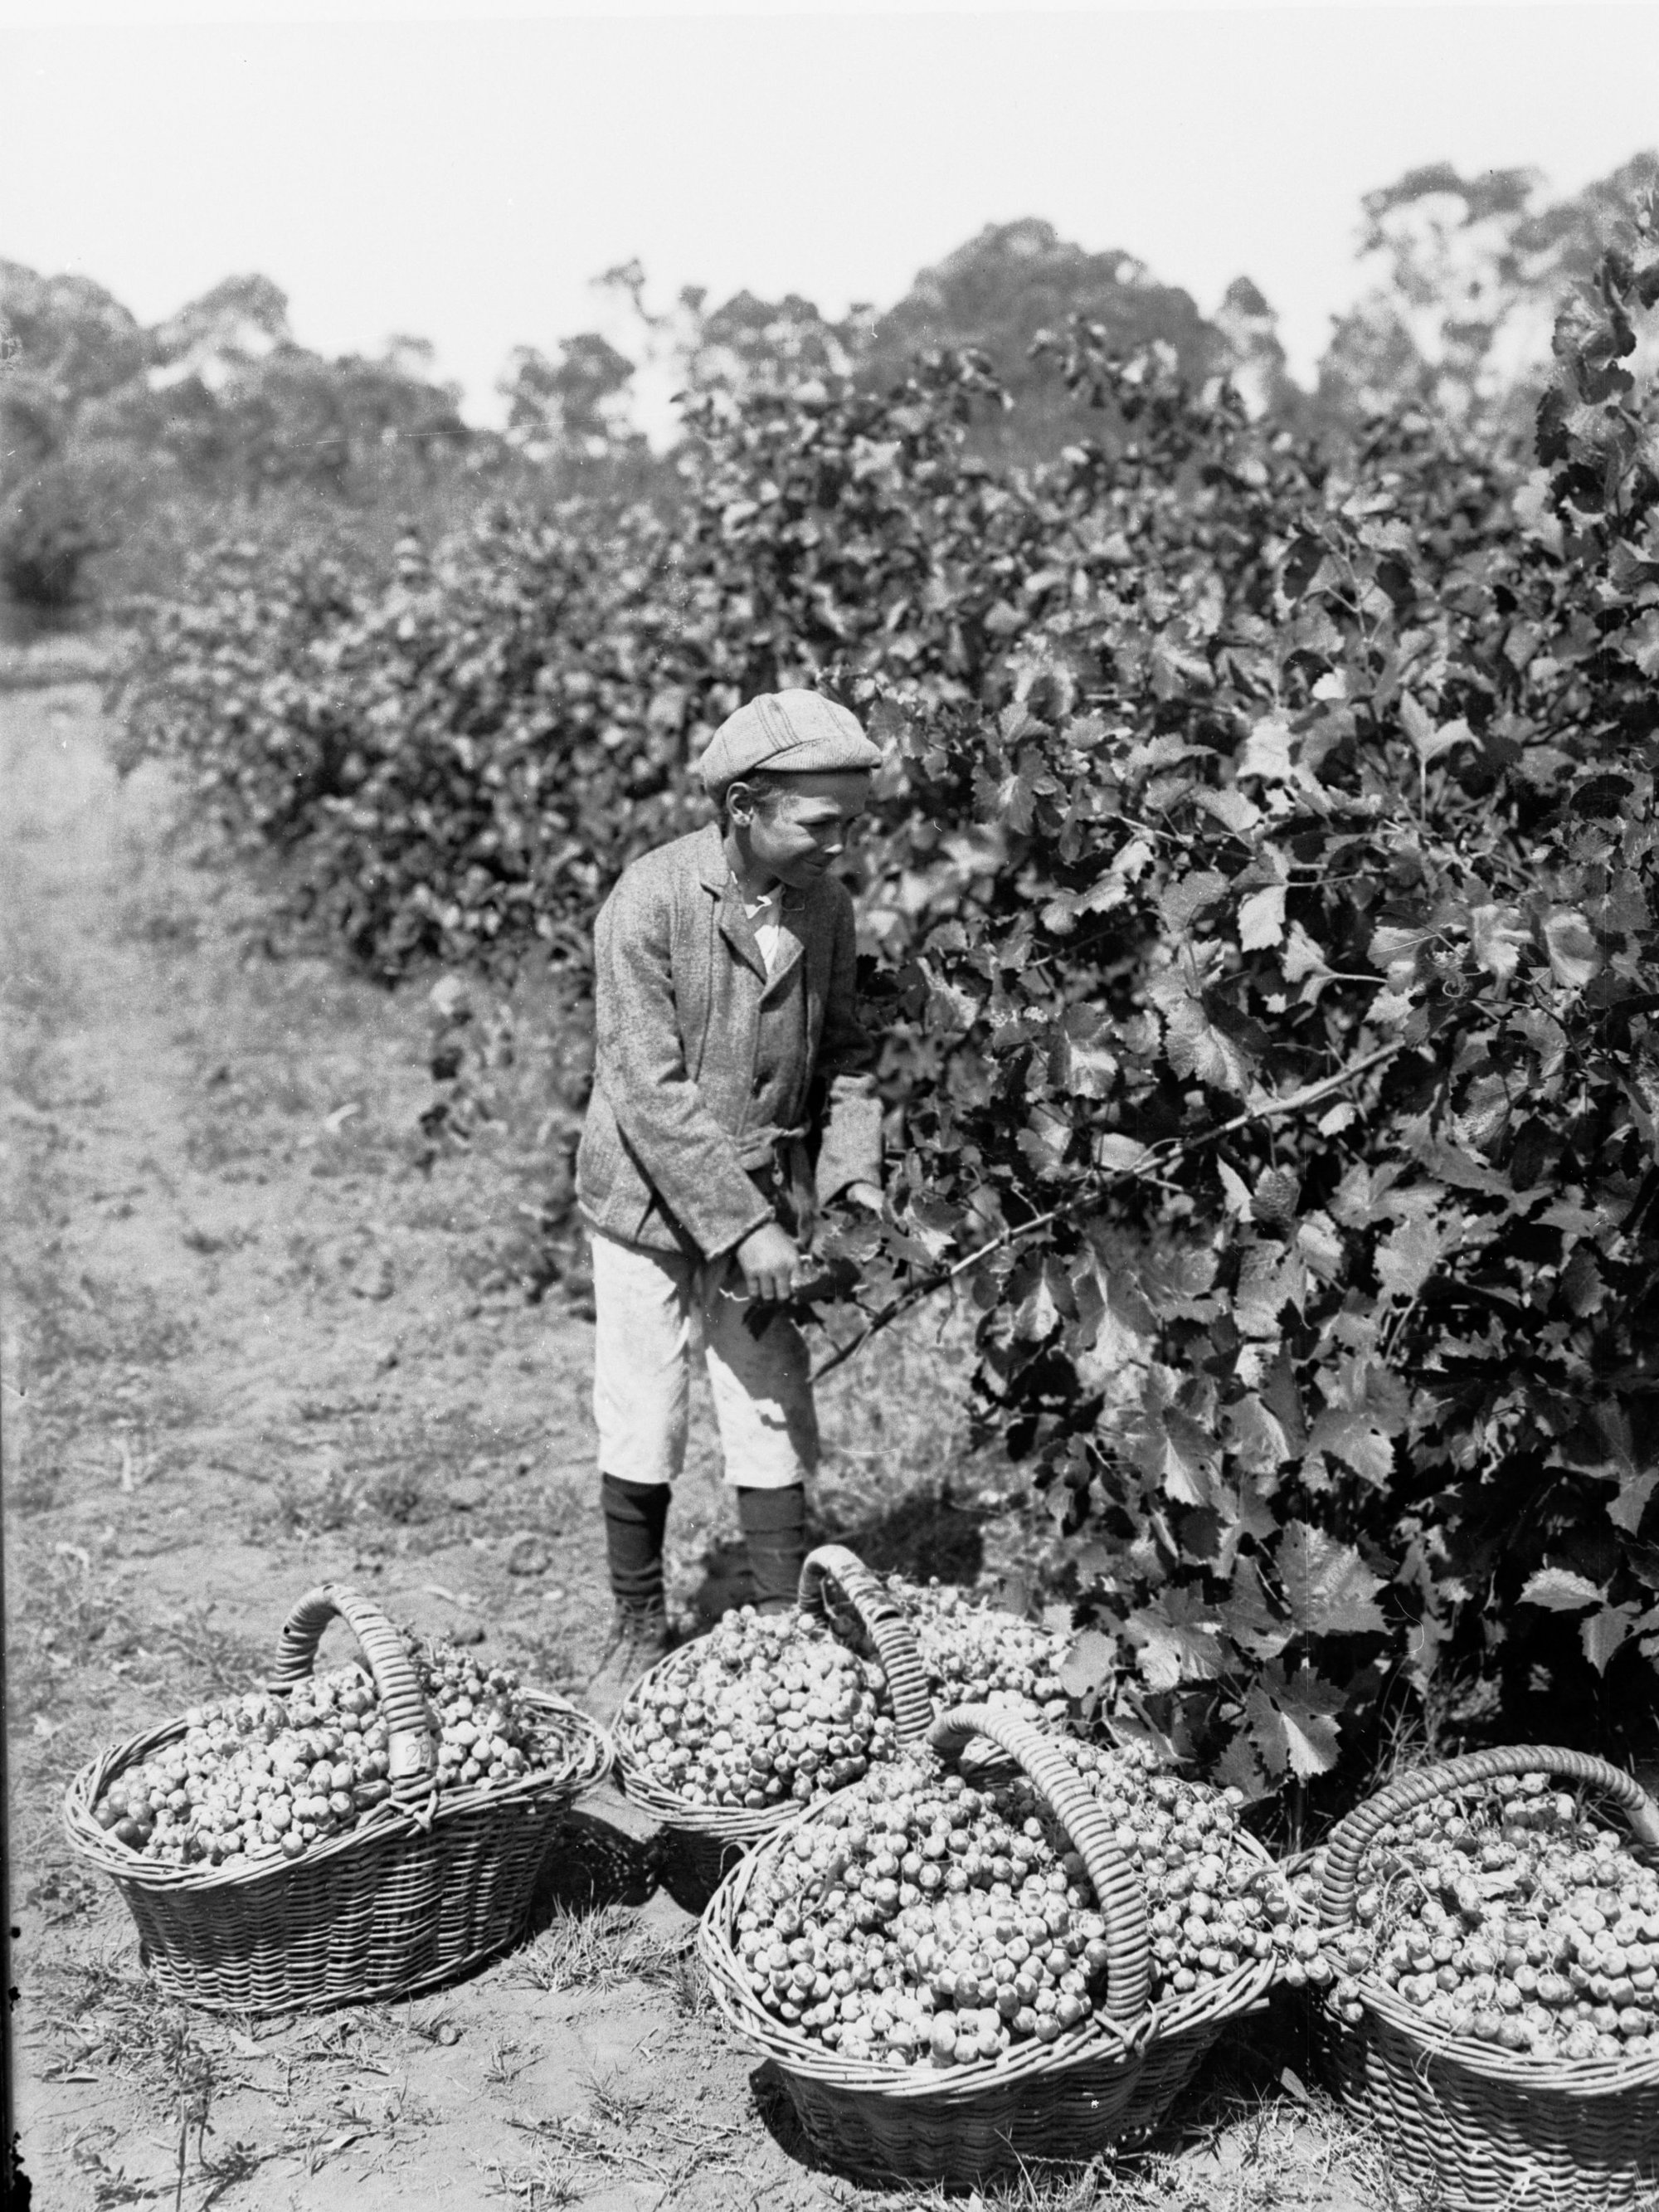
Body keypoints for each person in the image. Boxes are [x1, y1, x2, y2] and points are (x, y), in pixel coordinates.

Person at [575, 688, 884, 1711]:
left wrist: (851, 1183)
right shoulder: (652, 899)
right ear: (745, 804)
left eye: (850, 823)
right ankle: (636, 1613)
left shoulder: (825, 908)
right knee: (644, 1400)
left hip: (768, 1196)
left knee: (767, 1395)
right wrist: (740, 1223)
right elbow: (644, 1085)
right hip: (647, 1202)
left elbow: (845, 1060)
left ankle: (778, 1623)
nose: (838, 845)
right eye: (818, 822)